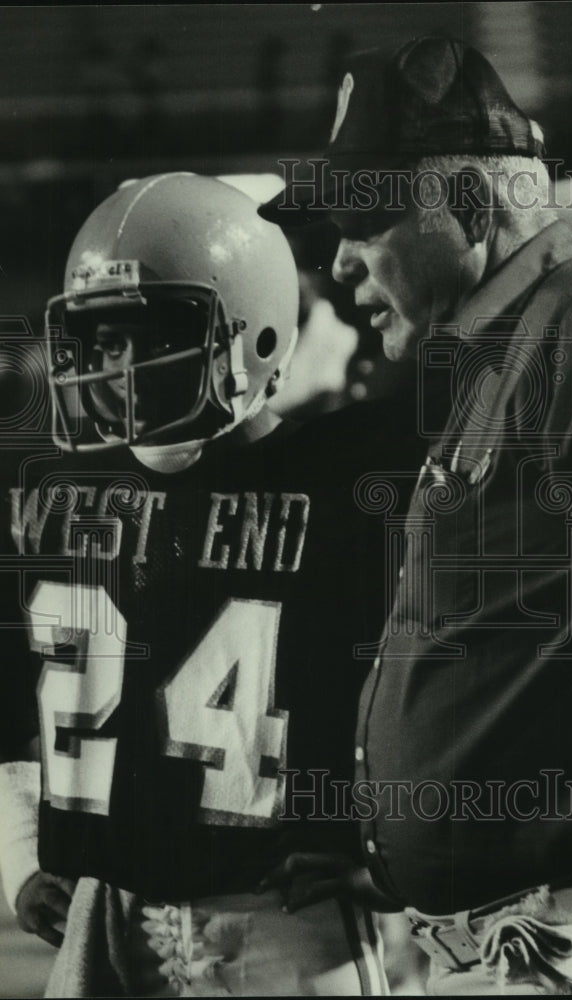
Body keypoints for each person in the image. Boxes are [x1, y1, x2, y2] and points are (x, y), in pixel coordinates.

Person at [260, 36, 572, 994]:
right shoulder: (508, 350)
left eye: (361, 215)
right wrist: (399, 863)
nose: (340, 262)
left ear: (469, 203)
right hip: (531, 932)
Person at [0, 172, 423, 996]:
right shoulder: (48, 494)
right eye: (99, 341)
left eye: (150, 337)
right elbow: (13, 701)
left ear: (254, 335)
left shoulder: (346, 480)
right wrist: (21, 852)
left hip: (283, 924)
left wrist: (397, 848)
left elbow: (440, 692)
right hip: (106, 913)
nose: (117, 370)